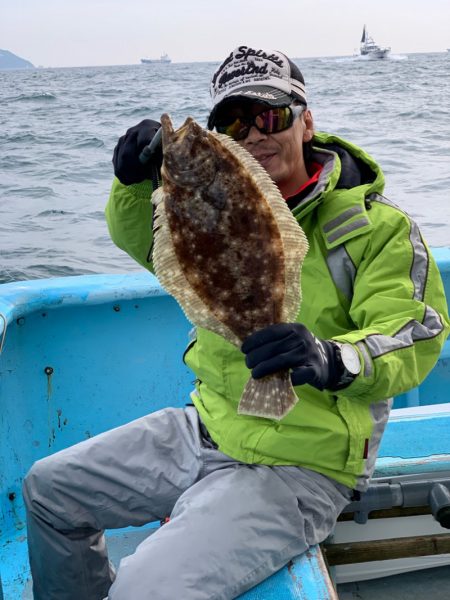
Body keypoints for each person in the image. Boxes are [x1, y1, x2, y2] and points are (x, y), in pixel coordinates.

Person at [23, 45, 450, 600]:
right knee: (48, 490)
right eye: (232, 120)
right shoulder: (204, 200)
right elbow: (150, 246)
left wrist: (332, 357)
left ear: (308, 121)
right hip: (209, 425)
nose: (254, 134)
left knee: (143, 590)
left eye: (271, 116)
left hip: (303, 463)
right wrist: (131, 182)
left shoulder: (379, 228)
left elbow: (415, 332)